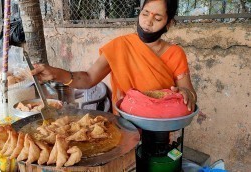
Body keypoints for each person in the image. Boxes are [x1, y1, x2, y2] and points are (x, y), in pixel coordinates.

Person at [32, 0, 197, 112]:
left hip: (159, 129)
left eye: (158, 18)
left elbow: (190, 94)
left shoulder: (175, 54)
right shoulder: (120, 46)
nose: (148, 21)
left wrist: (186, 93)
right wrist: (55, 73)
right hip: (125, 125)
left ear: (168, 24)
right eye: (145, 13)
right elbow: (89, 78)